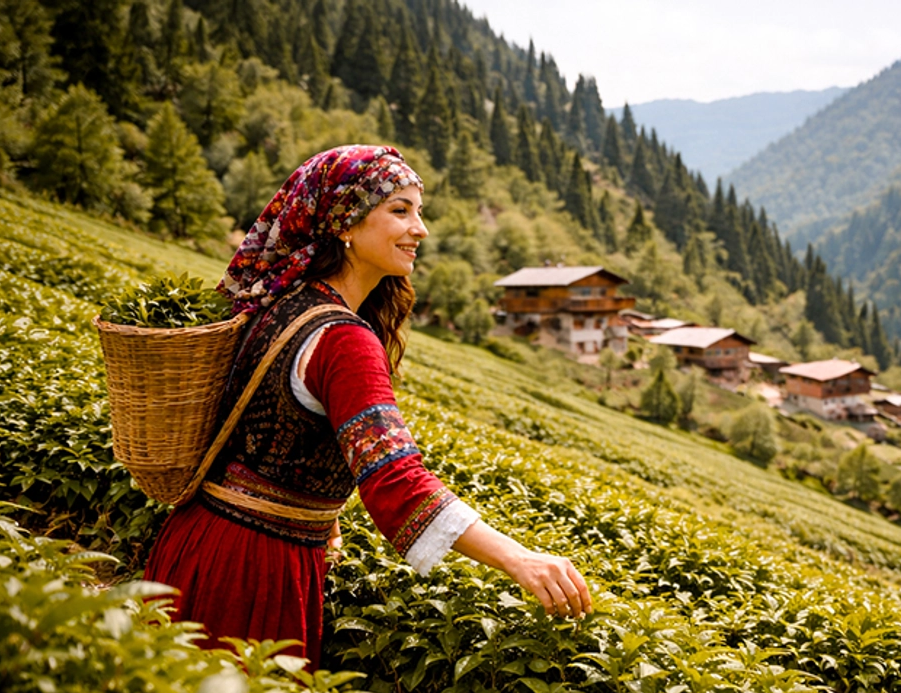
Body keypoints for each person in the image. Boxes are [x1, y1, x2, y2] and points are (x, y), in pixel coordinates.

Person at [144, 145, 591, 663]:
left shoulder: (286, 304)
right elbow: (395, 479)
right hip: (253, 571)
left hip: (196, 541)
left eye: (418, 212)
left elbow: (272, 429)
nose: (419, 228)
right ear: (345, 225)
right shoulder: (345, 341)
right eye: (399, 210)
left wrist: (320, 506)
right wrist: (520, 559)